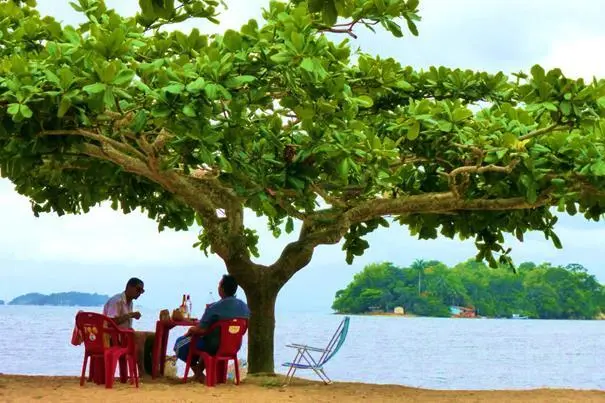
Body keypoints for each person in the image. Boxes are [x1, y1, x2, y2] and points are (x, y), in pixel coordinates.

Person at [174, 274, 250, 382]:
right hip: (234, 346)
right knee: (209, 341)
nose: (218, 287)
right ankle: (199, 373)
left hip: (213, 346)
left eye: (219, 285)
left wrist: (191, 330)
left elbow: (201, 329)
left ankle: (198, 373)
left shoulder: (215, 307)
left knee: (179, 343)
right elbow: (244, 329)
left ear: (222, 289)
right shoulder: (244, 306)